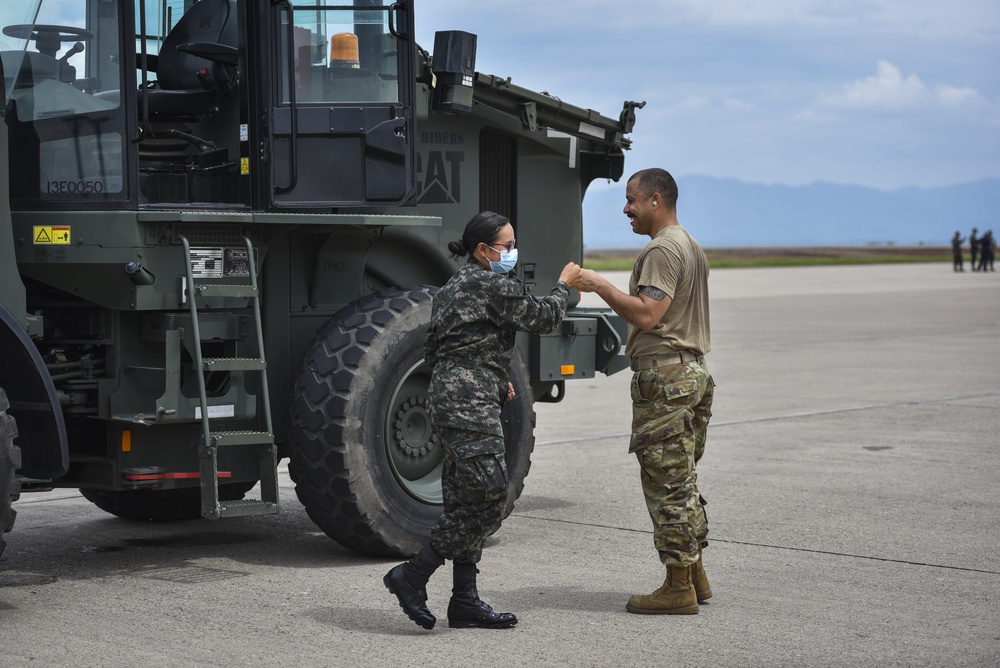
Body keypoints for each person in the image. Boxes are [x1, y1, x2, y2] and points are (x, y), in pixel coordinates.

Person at [384, 211, 581, 630]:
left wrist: (490, 376)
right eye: (506, 246)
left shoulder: (452, 285)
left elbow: (438, 348)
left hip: (450, 395)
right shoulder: (492, 284)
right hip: (468, 403)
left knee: (463, 498)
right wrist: (566, 286)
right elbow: (543, 317)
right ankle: (413, 574)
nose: (512, 252)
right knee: (491, 495)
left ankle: (465, 600)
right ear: (482, 250)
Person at [576, 168, 714, 615]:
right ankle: (694, 573)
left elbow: (647, 315)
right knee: (684, 480)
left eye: (632, 199)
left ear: (656, 200)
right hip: (691, 375)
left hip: (666, 381)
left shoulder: (662, 249)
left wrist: (598, 285)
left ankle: (678, 589)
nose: (626, 208)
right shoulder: (690, 245)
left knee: (667, 485)